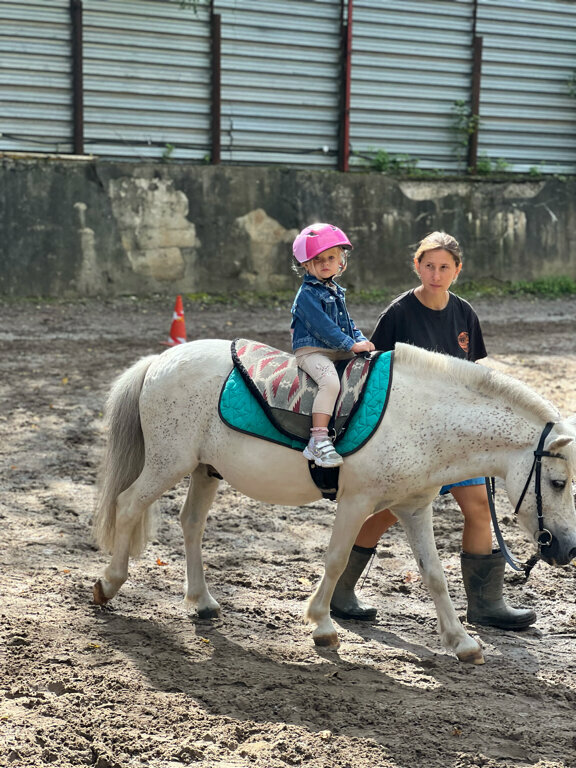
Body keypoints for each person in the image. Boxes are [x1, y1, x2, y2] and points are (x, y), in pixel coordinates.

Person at [330, 231, 537, 631]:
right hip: (416, 440)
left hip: (459, 440)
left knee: (478, 510)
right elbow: (377, 371)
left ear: (457, 271)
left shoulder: (464, 314)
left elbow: (475, 375)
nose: (436, 273)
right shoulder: (400, 313)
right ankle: (340, 588)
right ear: (417, 266)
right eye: (429, 265)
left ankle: (486, 605)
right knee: (389, 512)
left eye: (444, 267)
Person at [291, 222, 375, 468]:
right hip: (313, 350)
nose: (325, 263)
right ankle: (317, 440)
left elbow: (346, 323)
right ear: (306, 264)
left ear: (341, 260)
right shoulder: (306, 295)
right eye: (318, 260)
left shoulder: (335, 290)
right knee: (329, 382)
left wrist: (359, 340)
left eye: (331, 257)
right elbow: (323, 328)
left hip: (337, 348)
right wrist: (350, 344)